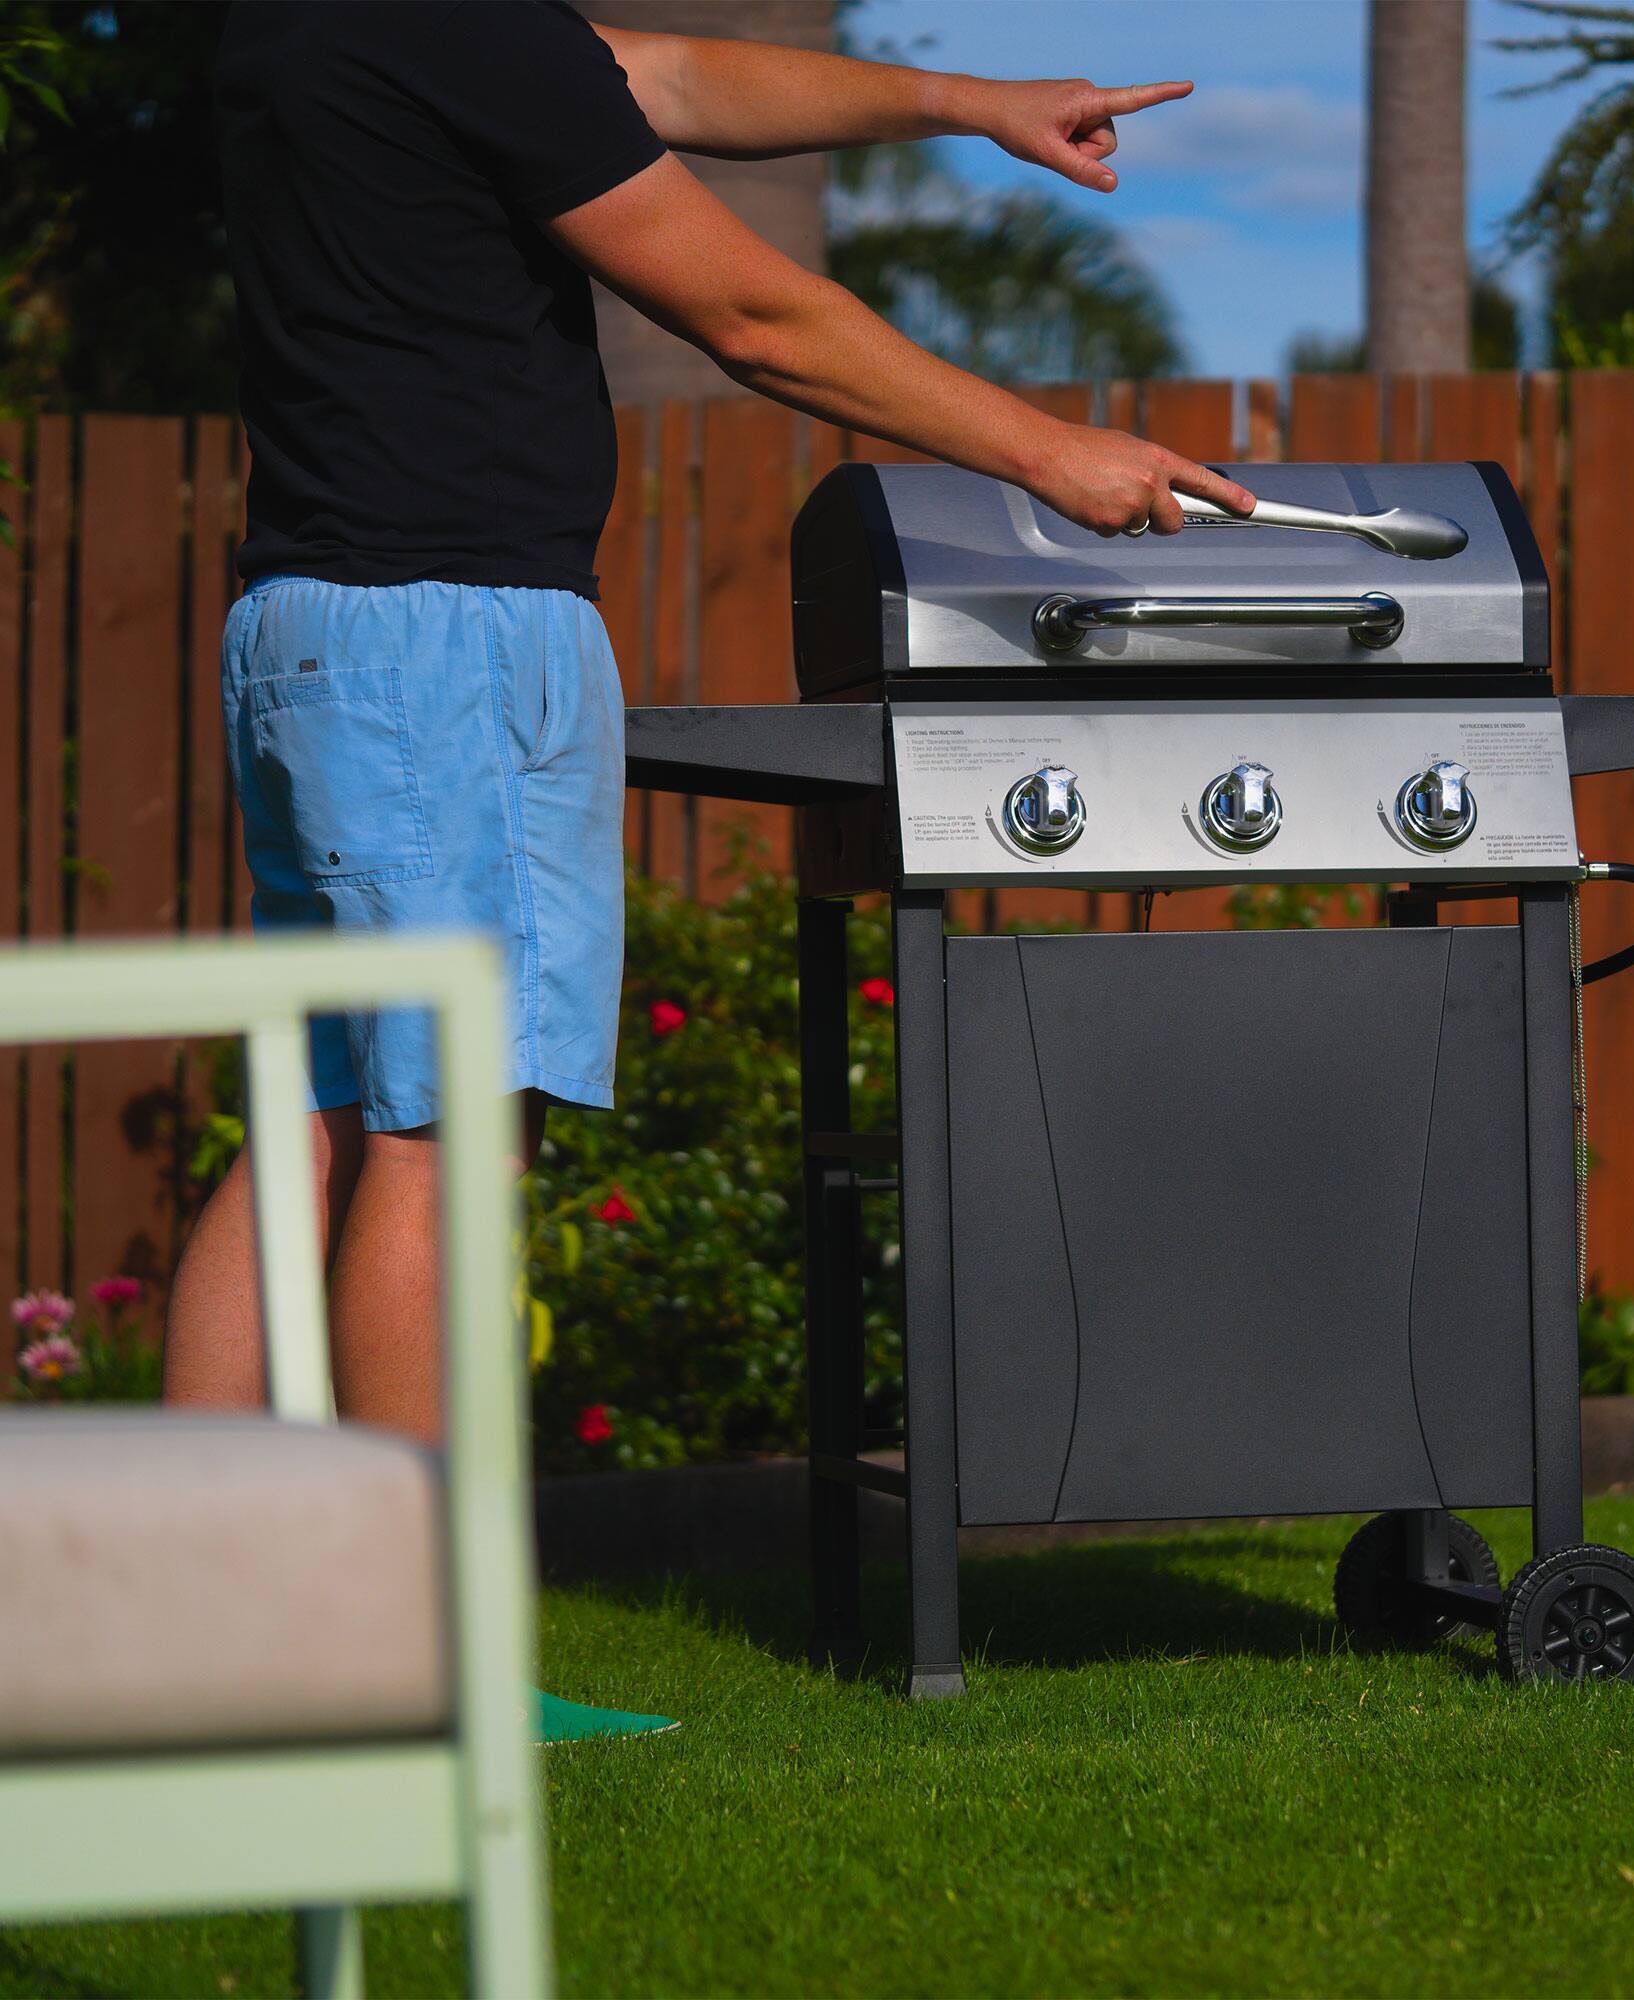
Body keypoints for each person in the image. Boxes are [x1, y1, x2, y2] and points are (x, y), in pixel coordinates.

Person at [171, 2, 1256, 1734]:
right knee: (447, 1126)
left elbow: (660, 74)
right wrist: (1055, 458)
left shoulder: (324, 20)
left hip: (309, 624)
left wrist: (970, 105)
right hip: (453, 639)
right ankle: (412, 1667)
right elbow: (756, 314)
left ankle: (193, 1638)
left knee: (311, 1107)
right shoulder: (456, 21)